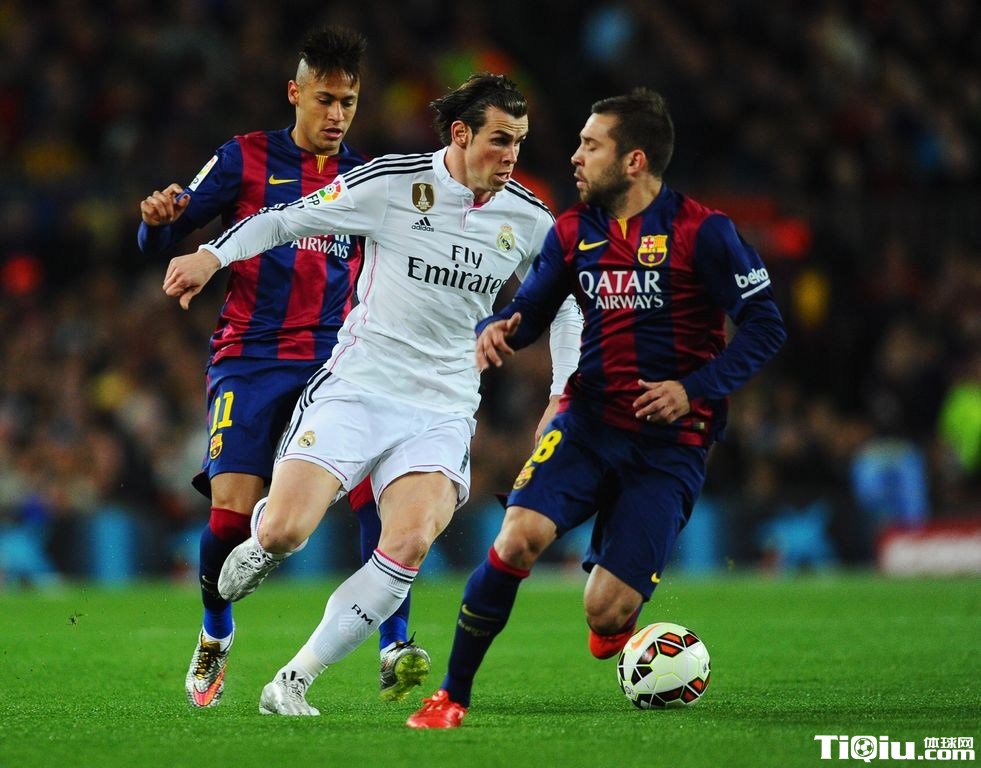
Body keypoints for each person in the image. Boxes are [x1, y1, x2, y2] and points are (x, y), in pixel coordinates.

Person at [161, 73, 583, 716]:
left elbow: (570, 304)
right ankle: (264, 537)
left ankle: (292, 682)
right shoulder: (392, 183)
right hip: (357, 388)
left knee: (407, 544)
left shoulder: (528, 218)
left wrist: (562, 393)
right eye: (500, 140)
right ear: (461, 134)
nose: (511, 155)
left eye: (519, 142)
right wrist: (213, 257)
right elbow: (287, 218)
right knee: (286, 532)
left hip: (442, 408)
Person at [406, 88, 787, 729]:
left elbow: (765, 325)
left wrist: (692, 388)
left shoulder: (704, 233)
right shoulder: (572, 231)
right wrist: (499, 327)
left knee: (606, 613)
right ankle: (451, 696)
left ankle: (618, 612)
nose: (575, 157)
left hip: (671, 444)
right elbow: (531, 310)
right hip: (587, 424)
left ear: (634, 161)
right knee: (517, 538)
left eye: (591, 145)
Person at [138, 25, 428, 709]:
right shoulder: (243, 159)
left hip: (340, 361)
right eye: (325, 99)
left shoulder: (367, 179)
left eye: (348, 102)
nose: (337, 115)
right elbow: (167, 233)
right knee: (230, 518)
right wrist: (157, 221)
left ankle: (394, 646)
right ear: (294, 94)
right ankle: (216, 632)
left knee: (377, 498)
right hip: (250, 359)